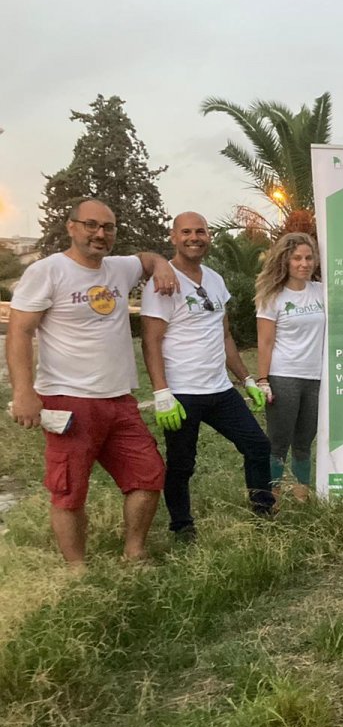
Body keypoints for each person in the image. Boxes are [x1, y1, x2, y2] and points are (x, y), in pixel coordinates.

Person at [5, 198, 176, 563]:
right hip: (68, 399)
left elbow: (146, 259)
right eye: (91, 225)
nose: (100, 234)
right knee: (69, 490)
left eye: (108, 227)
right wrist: (23, 391)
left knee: (148, 475)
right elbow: (19, 331)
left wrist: (161, 264)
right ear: (71, 227)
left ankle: (134, 553)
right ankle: (77, 570)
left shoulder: (119, 268)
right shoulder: (48, 271)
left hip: (119, 399)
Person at [140, 212, 273, 542]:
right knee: (182, 463)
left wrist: (247, 379)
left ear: (208, 236)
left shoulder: (214, 280)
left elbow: (224, 334)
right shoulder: (163, 281)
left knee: (257, 445)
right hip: (182, 392)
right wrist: (161, 393)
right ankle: (182, 526)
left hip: (219, 389)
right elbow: (151, 341)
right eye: (186, 232)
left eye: (200, 231)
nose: (194, 238)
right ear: (173, 237)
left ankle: (263, 513)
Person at [255, 232, 325, 501]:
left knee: (304, 442)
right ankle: (271, 498)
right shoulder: (273, 296)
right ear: (285, 260)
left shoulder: (321, 291)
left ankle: (301, 497)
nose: (304, 264)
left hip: (316, 378)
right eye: (297, 258)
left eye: (309, 258)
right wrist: (263, 380)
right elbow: (265, 342)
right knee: (278, 442)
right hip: (284, 376)